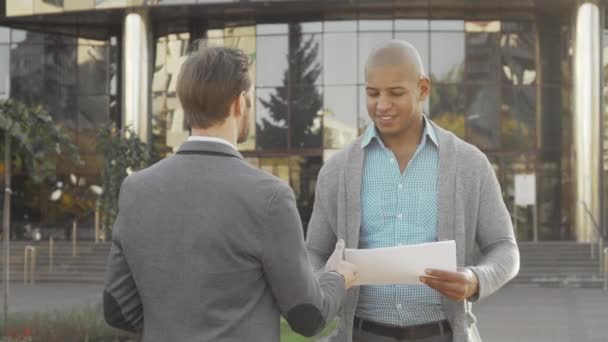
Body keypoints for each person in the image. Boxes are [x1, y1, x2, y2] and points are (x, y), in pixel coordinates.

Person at [103, 46, 357, 342]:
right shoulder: (270, 197)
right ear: (239, 103)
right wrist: (337, 278)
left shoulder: (136, 189)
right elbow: (307, 316)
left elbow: (117, 308)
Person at [306, 40, 519, 342]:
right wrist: (326, 283)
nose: (381, 105)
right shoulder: (337, 170)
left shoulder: (469, 163)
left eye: (395, 93)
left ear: (423, 88)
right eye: (372, 93)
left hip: (442, 335)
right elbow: (313, 250)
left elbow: (504, 247)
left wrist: (474, 279)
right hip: (362, 334)